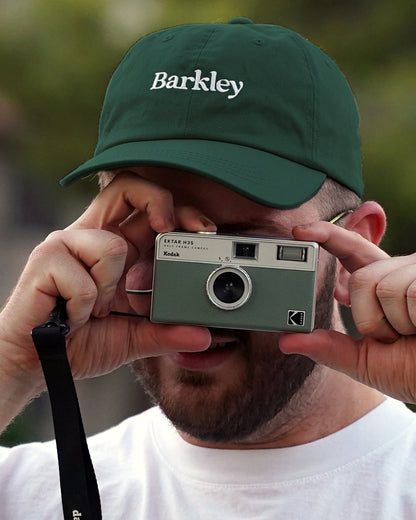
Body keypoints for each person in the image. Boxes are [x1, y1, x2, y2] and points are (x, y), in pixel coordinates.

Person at [0, 17, 415, 519]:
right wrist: (15, 363)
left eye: (245, 247)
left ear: (356, 245)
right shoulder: (33, 492)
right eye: (161, 239)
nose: (207, 296)